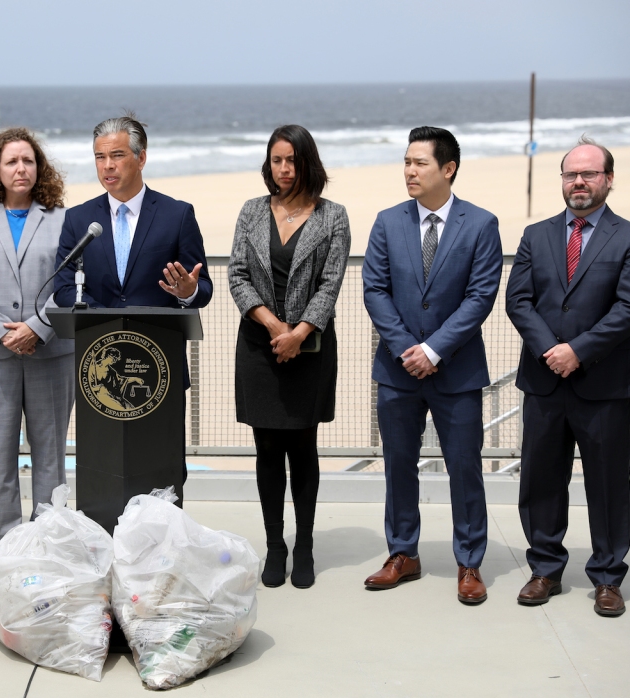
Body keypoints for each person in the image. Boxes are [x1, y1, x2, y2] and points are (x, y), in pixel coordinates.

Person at [361, 126, 502, 604]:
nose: (409, 171)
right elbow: (374, 289)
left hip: (457, 370)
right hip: (397, 371)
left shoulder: (481, 224)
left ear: (448, 168)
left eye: (419, 163)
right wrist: (408, 350)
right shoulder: (386, 221)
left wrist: (435, 350)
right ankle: (403, 554)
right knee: (399, 465)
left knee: (465, 467)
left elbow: (481, 296)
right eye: (405, 162)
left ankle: (469, 561)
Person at [53, 113, 212, 493]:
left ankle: (162, 546)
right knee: (103, 469)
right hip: (100, 369)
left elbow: (202, 288)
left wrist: (187, 290)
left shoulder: (176, 215)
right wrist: (100, 316)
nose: (107, 166)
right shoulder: (79, 221)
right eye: (99, 157)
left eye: (117, 155)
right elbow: (62, 287)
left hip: (159, 370)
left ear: (141, 158)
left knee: (161, 467)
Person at [505, 137, 630, 618]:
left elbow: (626, 309)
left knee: (608, 484)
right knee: (541, 480)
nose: (579, 182)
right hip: (544, 382)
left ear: (608, 179)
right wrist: (550, 350)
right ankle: (545, 570)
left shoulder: (626, 236)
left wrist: (578, 350)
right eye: (570, 174)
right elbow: (519, 300)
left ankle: (607, 577)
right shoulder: (536, 235)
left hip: (605, 386)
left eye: (589, 174)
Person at [228, 125, 350, 589]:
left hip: (310, 347)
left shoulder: (332, 216)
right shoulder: (250, 211)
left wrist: (298, 332)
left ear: (308, 164)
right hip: (259, 344)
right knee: (266, 452)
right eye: (277, 160)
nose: (284, 169)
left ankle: (305, 546)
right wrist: (275, 327)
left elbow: (331, 283)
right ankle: (275, 545)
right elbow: (238, 275)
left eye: (293, 161)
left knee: (303, 450)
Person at [0, 127, 74, 555]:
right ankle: (3, 554)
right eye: (11, 161)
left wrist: (36, 328)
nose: (21, 168)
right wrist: (3, 333)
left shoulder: (61, 216)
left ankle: (50, 548)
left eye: (28, 160)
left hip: (51, 351)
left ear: (39, 168)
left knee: (50, 458)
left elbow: (71, 281)